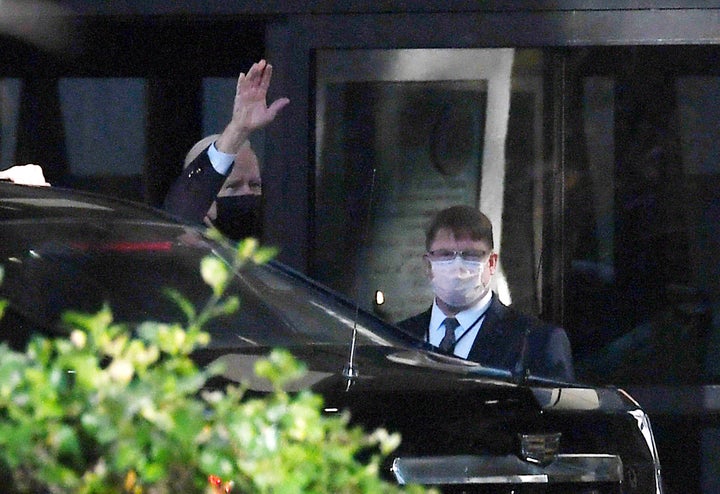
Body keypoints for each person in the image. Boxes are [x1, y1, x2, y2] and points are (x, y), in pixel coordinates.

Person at [397, 205, 575, 381]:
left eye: (471, 255)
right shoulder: (396, 338)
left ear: (491, 263)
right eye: (445, 254)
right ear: (428, 265)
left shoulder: (537, 341)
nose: (457, 266)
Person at [164, 59, 290, 241]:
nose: (247, 193)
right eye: (233, 186)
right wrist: (238, 129)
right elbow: (181, 215)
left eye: (255, 185)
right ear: (204, 201)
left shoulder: (279, 249)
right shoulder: (184, 259)